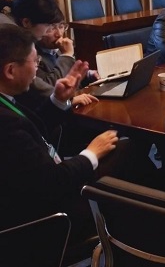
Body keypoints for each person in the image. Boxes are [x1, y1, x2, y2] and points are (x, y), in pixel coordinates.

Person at [0, 24, 119, 243]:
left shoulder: (6, 103)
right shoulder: (6, 125)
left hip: (40, 182)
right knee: (125, 159)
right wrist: (91, 154)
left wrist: (58, 99)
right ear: (10, 70)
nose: (37, 68)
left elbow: (32, 132)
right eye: (35, 61)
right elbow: (51, 182)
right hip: (44, 220)